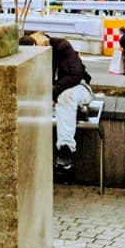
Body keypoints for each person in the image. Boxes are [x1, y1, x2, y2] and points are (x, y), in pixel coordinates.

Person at [23, 31, 94, 175]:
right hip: (53, 94)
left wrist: (54, 93)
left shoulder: (62, 46)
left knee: (66, 98)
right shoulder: (28, 51)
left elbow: (75, 74)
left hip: (78, 88)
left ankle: (65, 152)